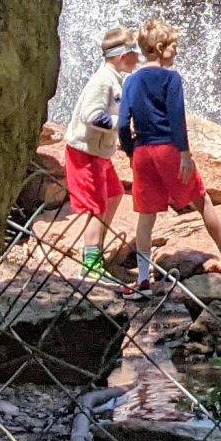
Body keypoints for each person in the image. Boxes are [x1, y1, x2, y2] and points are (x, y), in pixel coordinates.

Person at [117, 19, 221, 294]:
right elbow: (176, 118)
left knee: (145, 216)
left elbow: (122, 124)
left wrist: (132, 152)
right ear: (159, 47)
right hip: (168, 148)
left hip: (142, 151)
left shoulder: (131, 81)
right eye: (174, 47)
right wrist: (185, 154)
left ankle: (143, 279)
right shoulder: (171, 78)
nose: (177, 52)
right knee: (202, 201)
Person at [61, 26, 138, 280]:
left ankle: (98, 246)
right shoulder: (103, 80)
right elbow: (91, 116)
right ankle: (91, 263)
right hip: (86, 153)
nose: (137, 58)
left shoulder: (116, 79)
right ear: (120, 56)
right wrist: (121, 124)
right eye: (132, 53)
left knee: (114, 194)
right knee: (96, 206)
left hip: (100, 153)